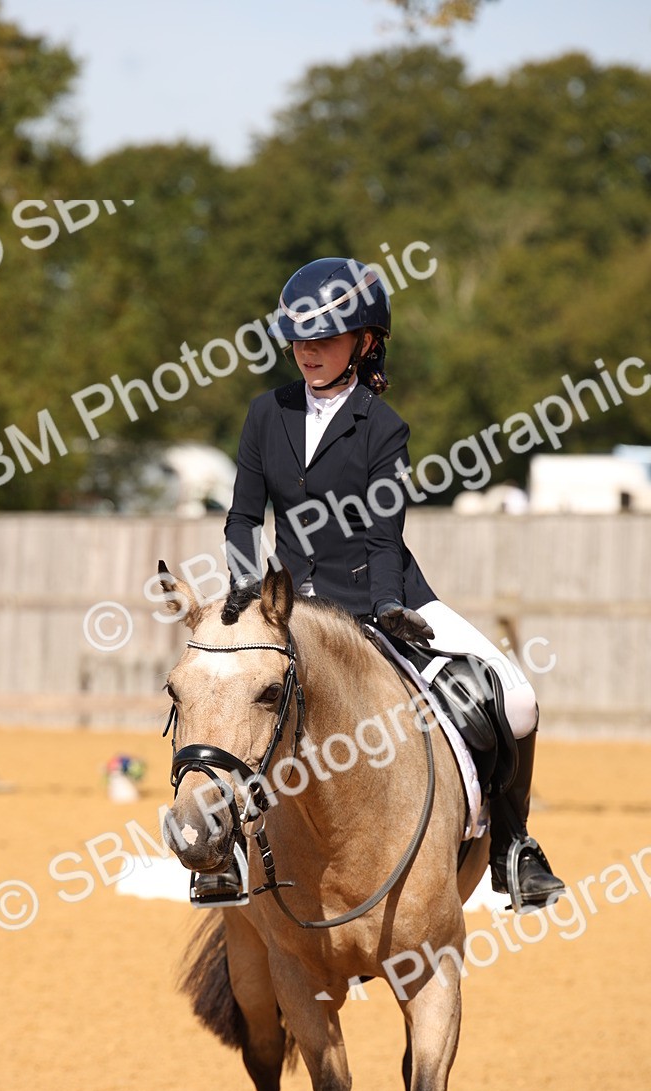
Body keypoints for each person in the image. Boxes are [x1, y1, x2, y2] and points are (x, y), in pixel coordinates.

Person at [194, 257, 564, 909]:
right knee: (221, 694)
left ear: (364, 342)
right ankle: (218, 857)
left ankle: (513, 848)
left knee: (516, 699)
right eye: (300, 340)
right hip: (292, 608)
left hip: (385, 596)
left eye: (326, 340)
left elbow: (382, 532)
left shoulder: (383, 428)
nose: (309, 353)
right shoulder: (264, 415)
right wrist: (248, 596)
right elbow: (244, 516)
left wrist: (389, 604)